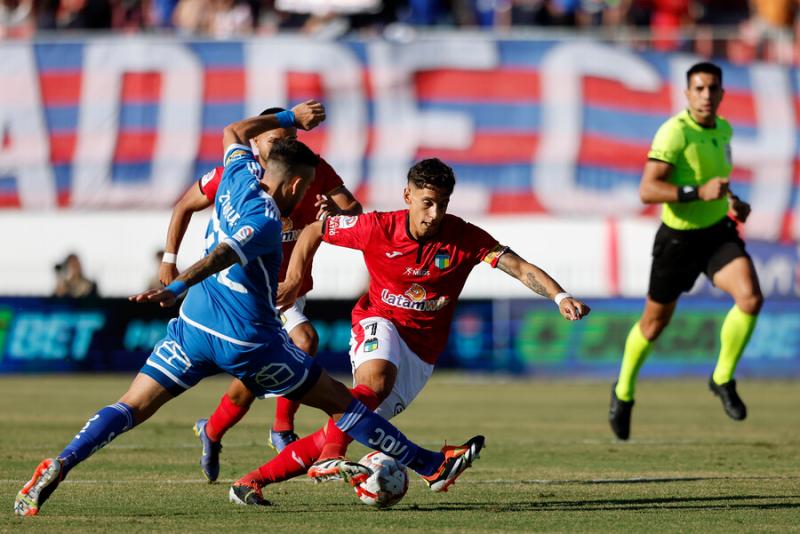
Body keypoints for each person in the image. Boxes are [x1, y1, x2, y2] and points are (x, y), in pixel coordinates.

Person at [14, 106, 484, 517]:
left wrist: (287, 119)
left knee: (131, 405)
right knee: (344, 402)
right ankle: (430, 464)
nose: (303, 204)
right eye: (302, 194)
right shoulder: (265, 220)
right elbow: (223, 254)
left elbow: (233, 133)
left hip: (192, 328)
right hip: (249, 341)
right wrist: (177, 280)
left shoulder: (237, 175)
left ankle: (61, 462)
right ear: (296, 184)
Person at [228, 157, 590, 502]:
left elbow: (517, 265)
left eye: (442, 204)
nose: (434, 215)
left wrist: (560, 296)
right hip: (377, 320)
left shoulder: (463, 237)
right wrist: (295, 278)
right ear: (408, 197)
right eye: (427, 203)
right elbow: (315, 229)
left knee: (355, 420)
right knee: (375, 383)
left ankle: (251, 481)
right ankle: (342, 458)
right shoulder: (377, 227)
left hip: (422, 351)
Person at [159, 105, 361, 482]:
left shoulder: (311, 170)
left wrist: (331, 211)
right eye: (277, 138)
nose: (286, 142)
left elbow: (354, 210)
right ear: (256, 142)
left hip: (288, 291)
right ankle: (281, 429)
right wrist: (170, 260)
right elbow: (184, 205)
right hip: (251, 294)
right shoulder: (232, 177)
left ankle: (214, 429)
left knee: (251, 384)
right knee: (304, 340)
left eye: (292, 139)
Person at [608, 62, 763, 441]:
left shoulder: (723, 130)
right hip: (678, 241)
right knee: (653, 324)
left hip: (717, 234)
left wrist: (733, 203)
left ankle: (722, 377)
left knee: (751, 298)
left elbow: (716, 184)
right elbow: (648, 190)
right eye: (699, 88)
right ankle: (623, 392)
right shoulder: (674, 133)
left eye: (712, 88)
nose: (706, 95)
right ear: (687, 94)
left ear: (722, 94)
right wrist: (697, 193)